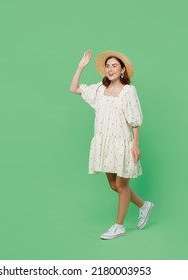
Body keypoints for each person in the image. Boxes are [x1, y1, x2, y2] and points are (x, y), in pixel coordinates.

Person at [69, 50, 154, 240]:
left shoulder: (128, 91)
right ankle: (144, 205)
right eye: (108, 66)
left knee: (122, 186)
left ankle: (119, 226)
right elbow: (73, 88)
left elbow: (135, 120)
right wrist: (80, 67)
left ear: (123, 70)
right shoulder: (99, 89)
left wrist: (135, 145)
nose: (110, 69)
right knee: (114, 185)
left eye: (114, 65)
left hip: (122, 143)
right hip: (104, 142)